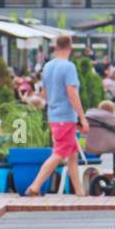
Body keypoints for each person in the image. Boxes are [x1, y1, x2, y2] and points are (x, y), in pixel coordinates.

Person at [26, 33, 89, 197]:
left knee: (73, 155)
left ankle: (80, 192)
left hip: (53, 116)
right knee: (60, 154)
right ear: (70, 47)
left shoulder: (47, 66)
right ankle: (35, 186)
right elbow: (72, 93)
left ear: (55, 47)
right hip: (66, 117)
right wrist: (82, 117)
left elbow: (44, 94)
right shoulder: (68, 67)